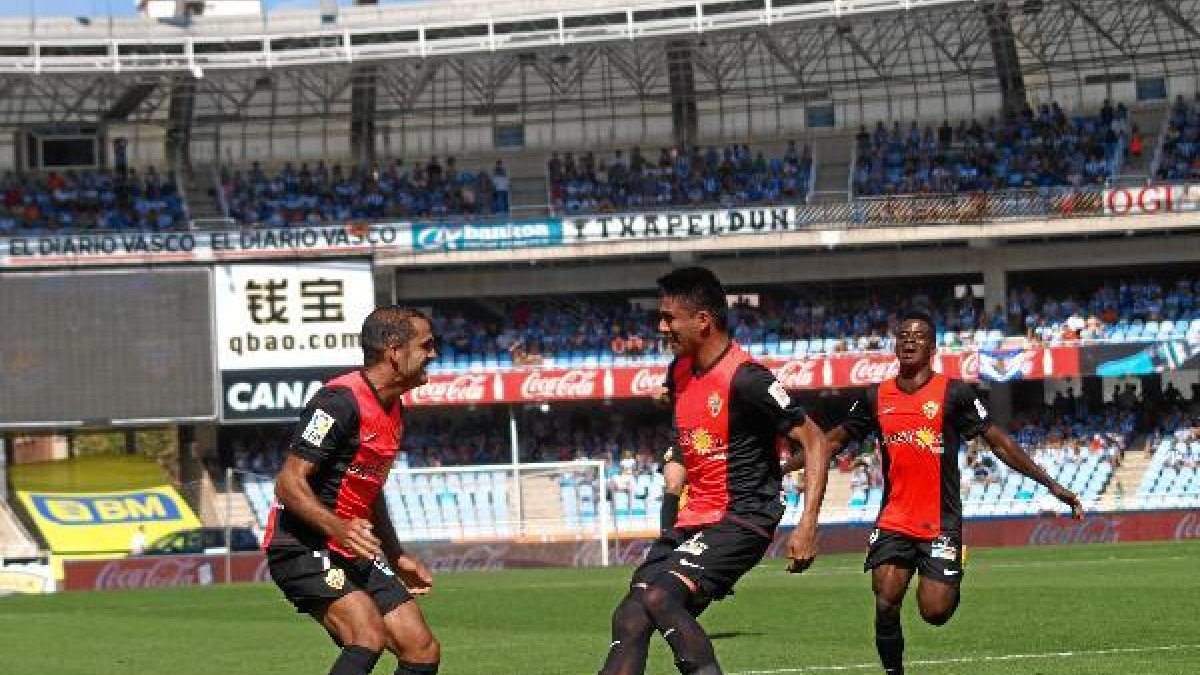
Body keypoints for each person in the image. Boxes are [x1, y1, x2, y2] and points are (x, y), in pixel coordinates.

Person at [786, 310, 1083, 675]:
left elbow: (999, 442)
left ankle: (954, 563)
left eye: (919, 336)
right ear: (895, 345)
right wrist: (779, 469)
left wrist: (1051, 484)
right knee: (886, 600)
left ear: (933, 348)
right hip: (894, 518)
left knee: (935, 611)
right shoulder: (875, 396)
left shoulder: (954, 393)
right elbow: (829, 442)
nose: (910, 340)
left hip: (940, 520)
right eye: (903, 335)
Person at [599, 267, 828, 675]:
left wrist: (807, 524)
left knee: (660, 597)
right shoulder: (679, 370)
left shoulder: (748, 379)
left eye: (669, 318)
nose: (661, 327)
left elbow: (815, 441)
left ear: (703, 320)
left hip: (742, 517)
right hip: (693, 519)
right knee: (630, 614)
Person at [264, 306, 442, 675]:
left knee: (421, 650)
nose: (433, 354)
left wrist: (395, 554)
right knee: (366, 635)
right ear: (395, 352)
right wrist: (338, 528)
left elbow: (370, 490)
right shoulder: (337, 402)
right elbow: (288, 482)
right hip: (303, 545)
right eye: (425, 346)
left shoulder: (394, 409)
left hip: (352, 546)